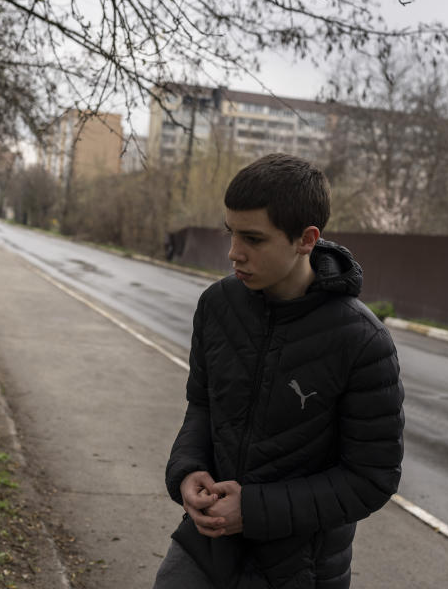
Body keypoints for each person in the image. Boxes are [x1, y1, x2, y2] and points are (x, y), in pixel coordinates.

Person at [154, 153, 405, 589]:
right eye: (231, 233)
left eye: (253, 238)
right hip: (205, 547)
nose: (234, 253)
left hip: (300, 571)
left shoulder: (362, 341)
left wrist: (252, 509)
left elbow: (371, 478)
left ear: (306, 239)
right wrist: (188, 468)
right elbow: (202, 407)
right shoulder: (218, 306)